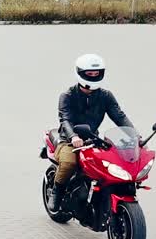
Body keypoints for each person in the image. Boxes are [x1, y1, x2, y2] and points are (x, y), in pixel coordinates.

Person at [48, 53, 135, 210]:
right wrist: (73, 136)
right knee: (69, 163)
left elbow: (119, 117)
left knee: (109, 164)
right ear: (80, 73)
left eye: (97, 73)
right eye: (90, 74)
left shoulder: (105, 96)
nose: (94, 76)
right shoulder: (67, 96)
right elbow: (65, 120)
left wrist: (134, 135)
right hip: (68, 140)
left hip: (92, 139)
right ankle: (57, 192)